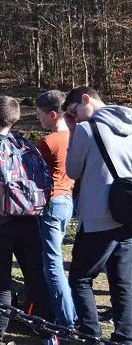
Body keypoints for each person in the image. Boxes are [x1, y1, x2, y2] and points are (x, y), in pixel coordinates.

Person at [0, 96, 55, 345]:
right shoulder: (27, 145)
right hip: (30, 221)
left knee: (1, 285)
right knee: (36, 279)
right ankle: (48, 334)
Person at [64, 86, 132, 342]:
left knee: (80, 278)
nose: (74, 118)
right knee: (122, 281)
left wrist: (72, 130)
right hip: (127, 214)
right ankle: (125, 338)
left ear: (86, 99)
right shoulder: (130, 125)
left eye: (73, 112)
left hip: (98, 218)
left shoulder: (85, 129)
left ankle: (90, 335)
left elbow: (72, 170)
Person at [35, 90, 76, 328]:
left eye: (41, 115)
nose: (39, 119)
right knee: (55, 257)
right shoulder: (76, 135)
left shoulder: (48, 142)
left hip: (52, 201)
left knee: (52, 262)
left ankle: (65, 319)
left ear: (52, 114)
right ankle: (67, 309)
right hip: (68, 200)